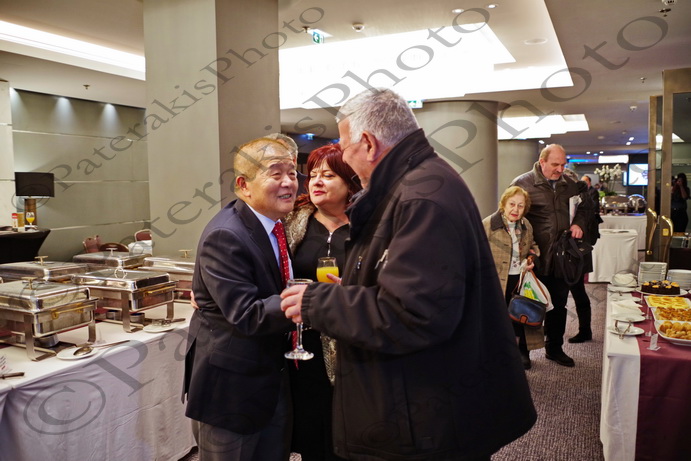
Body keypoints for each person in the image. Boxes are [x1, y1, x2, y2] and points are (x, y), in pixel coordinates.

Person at [281, 88, 536, 461]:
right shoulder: (419, 182)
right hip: (429, 402)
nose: (345, 160)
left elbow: (411, 314)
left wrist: (318, 301)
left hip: (427, 416)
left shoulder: (419, 198)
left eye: (345, 148)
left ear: (369, 144)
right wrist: (355, 288)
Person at [183, 137, 298, 461]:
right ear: (243, 185)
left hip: (270, 378)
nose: (289, 182)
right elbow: (247, 314)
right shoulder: (227, 234)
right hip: (231, 390)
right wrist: (310, 300)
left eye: (292, 173)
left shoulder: (274, 226)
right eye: (276, 173)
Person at [283, 143, 360, 461]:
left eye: (328, 175)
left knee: (351, 431)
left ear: (349, 182)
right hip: (303, 342)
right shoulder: (293, 221)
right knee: (313, 430)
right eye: (313, 174)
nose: (316, 181)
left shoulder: (366, 226)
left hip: (351, 341)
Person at [511, 145, 589, 367]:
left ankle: (554, 348)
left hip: (562, 257)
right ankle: (523, 351)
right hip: (534, 257)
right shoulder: (523, 183)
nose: (560, 169)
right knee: (528, 304)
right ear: (542, 161)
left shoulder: (569, 184)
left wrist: (578, 223)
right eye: (555, 164)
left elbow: (584, 208)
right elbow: (510, 215)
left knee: (559, 305)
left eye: (563, 164)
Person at [482, 186, 541, 370]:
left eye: (520, 206)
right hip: (496, 281)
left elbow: (533, 246)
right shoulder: (488, 225)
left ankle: (523, 352)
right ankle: (495, 354)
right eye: (512, 204)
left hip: (519, 279)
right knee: (496, 319)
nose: (516, 209)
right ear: (504, 204)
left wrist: (531, 258)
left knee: (521, 318)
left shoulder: (526, 225)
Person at [567, 174, 603, 344]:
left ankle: (585, 330)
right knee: (560, 293)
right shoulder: (576, 195)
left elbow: (585, 223)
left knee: (578, 291)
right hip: (570, 251)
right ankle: (583, 330)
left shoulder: (583, 198)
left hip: (577, 251)